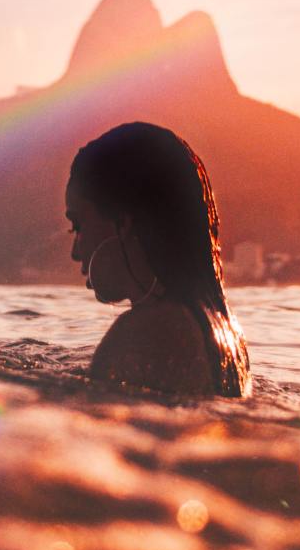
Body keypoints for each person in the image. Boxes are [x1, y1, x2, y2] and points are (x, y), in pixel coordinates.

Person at [65, 122, 251, 397]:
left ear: (122, 222)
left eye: (78, 225)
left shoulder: (145, 333)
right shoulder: (225, 332)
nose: (75, 251)